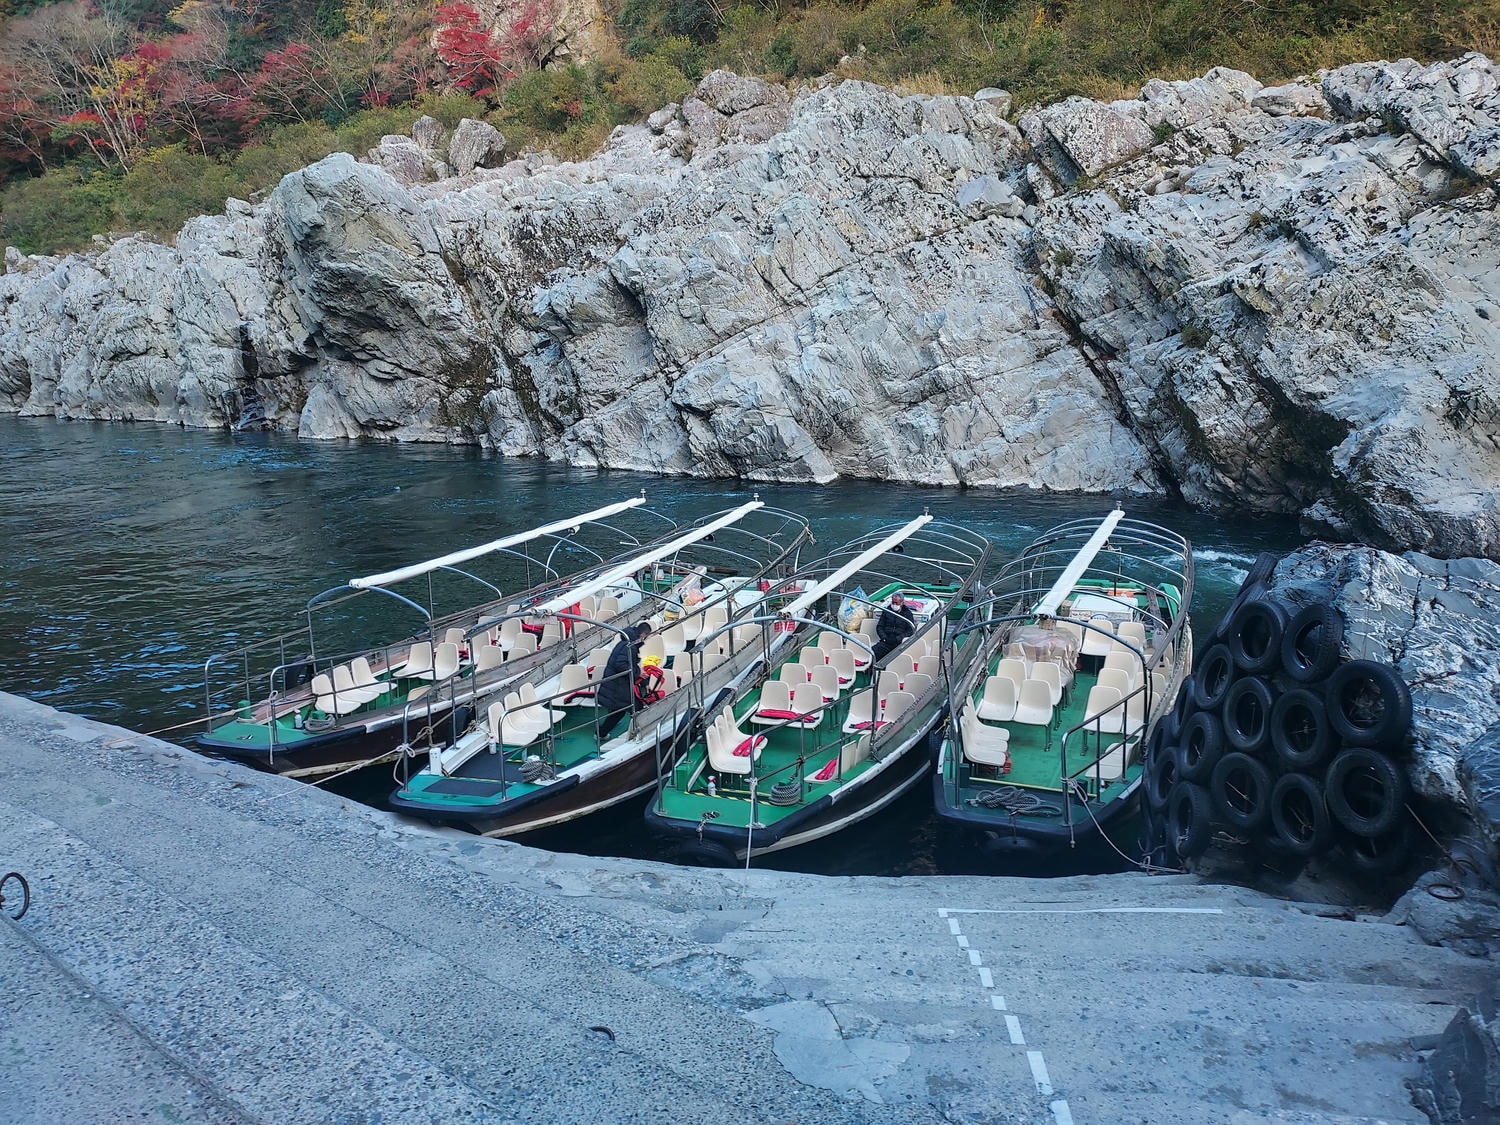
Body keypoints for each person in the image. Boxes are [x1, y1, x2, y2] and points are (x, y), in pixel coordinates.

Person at [596, 621, 653, 741]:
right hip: (618, 685)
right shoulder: (630, 647)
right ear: (643, 634)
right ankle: (643, 732)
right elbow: (621, 665)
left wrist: (643, 680)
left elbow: (630, 665)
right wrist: (638, 674)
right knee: (636, 708)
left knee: (619, 710)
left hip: (615, 684)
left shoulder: (626, 643)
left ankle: (601, 733)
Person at [872, 591, 916, 662]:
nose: (894, 604)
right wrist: (884, 637)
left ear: (901, 602)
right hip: (886, 640)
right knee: (873, 651)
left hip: (899, 642)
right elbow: (880, 626)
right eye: (893, 602)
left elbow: (910, 631)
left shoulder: (908, 614)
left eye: (896, 603)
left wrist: (898, 638)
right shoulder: (886, 611)